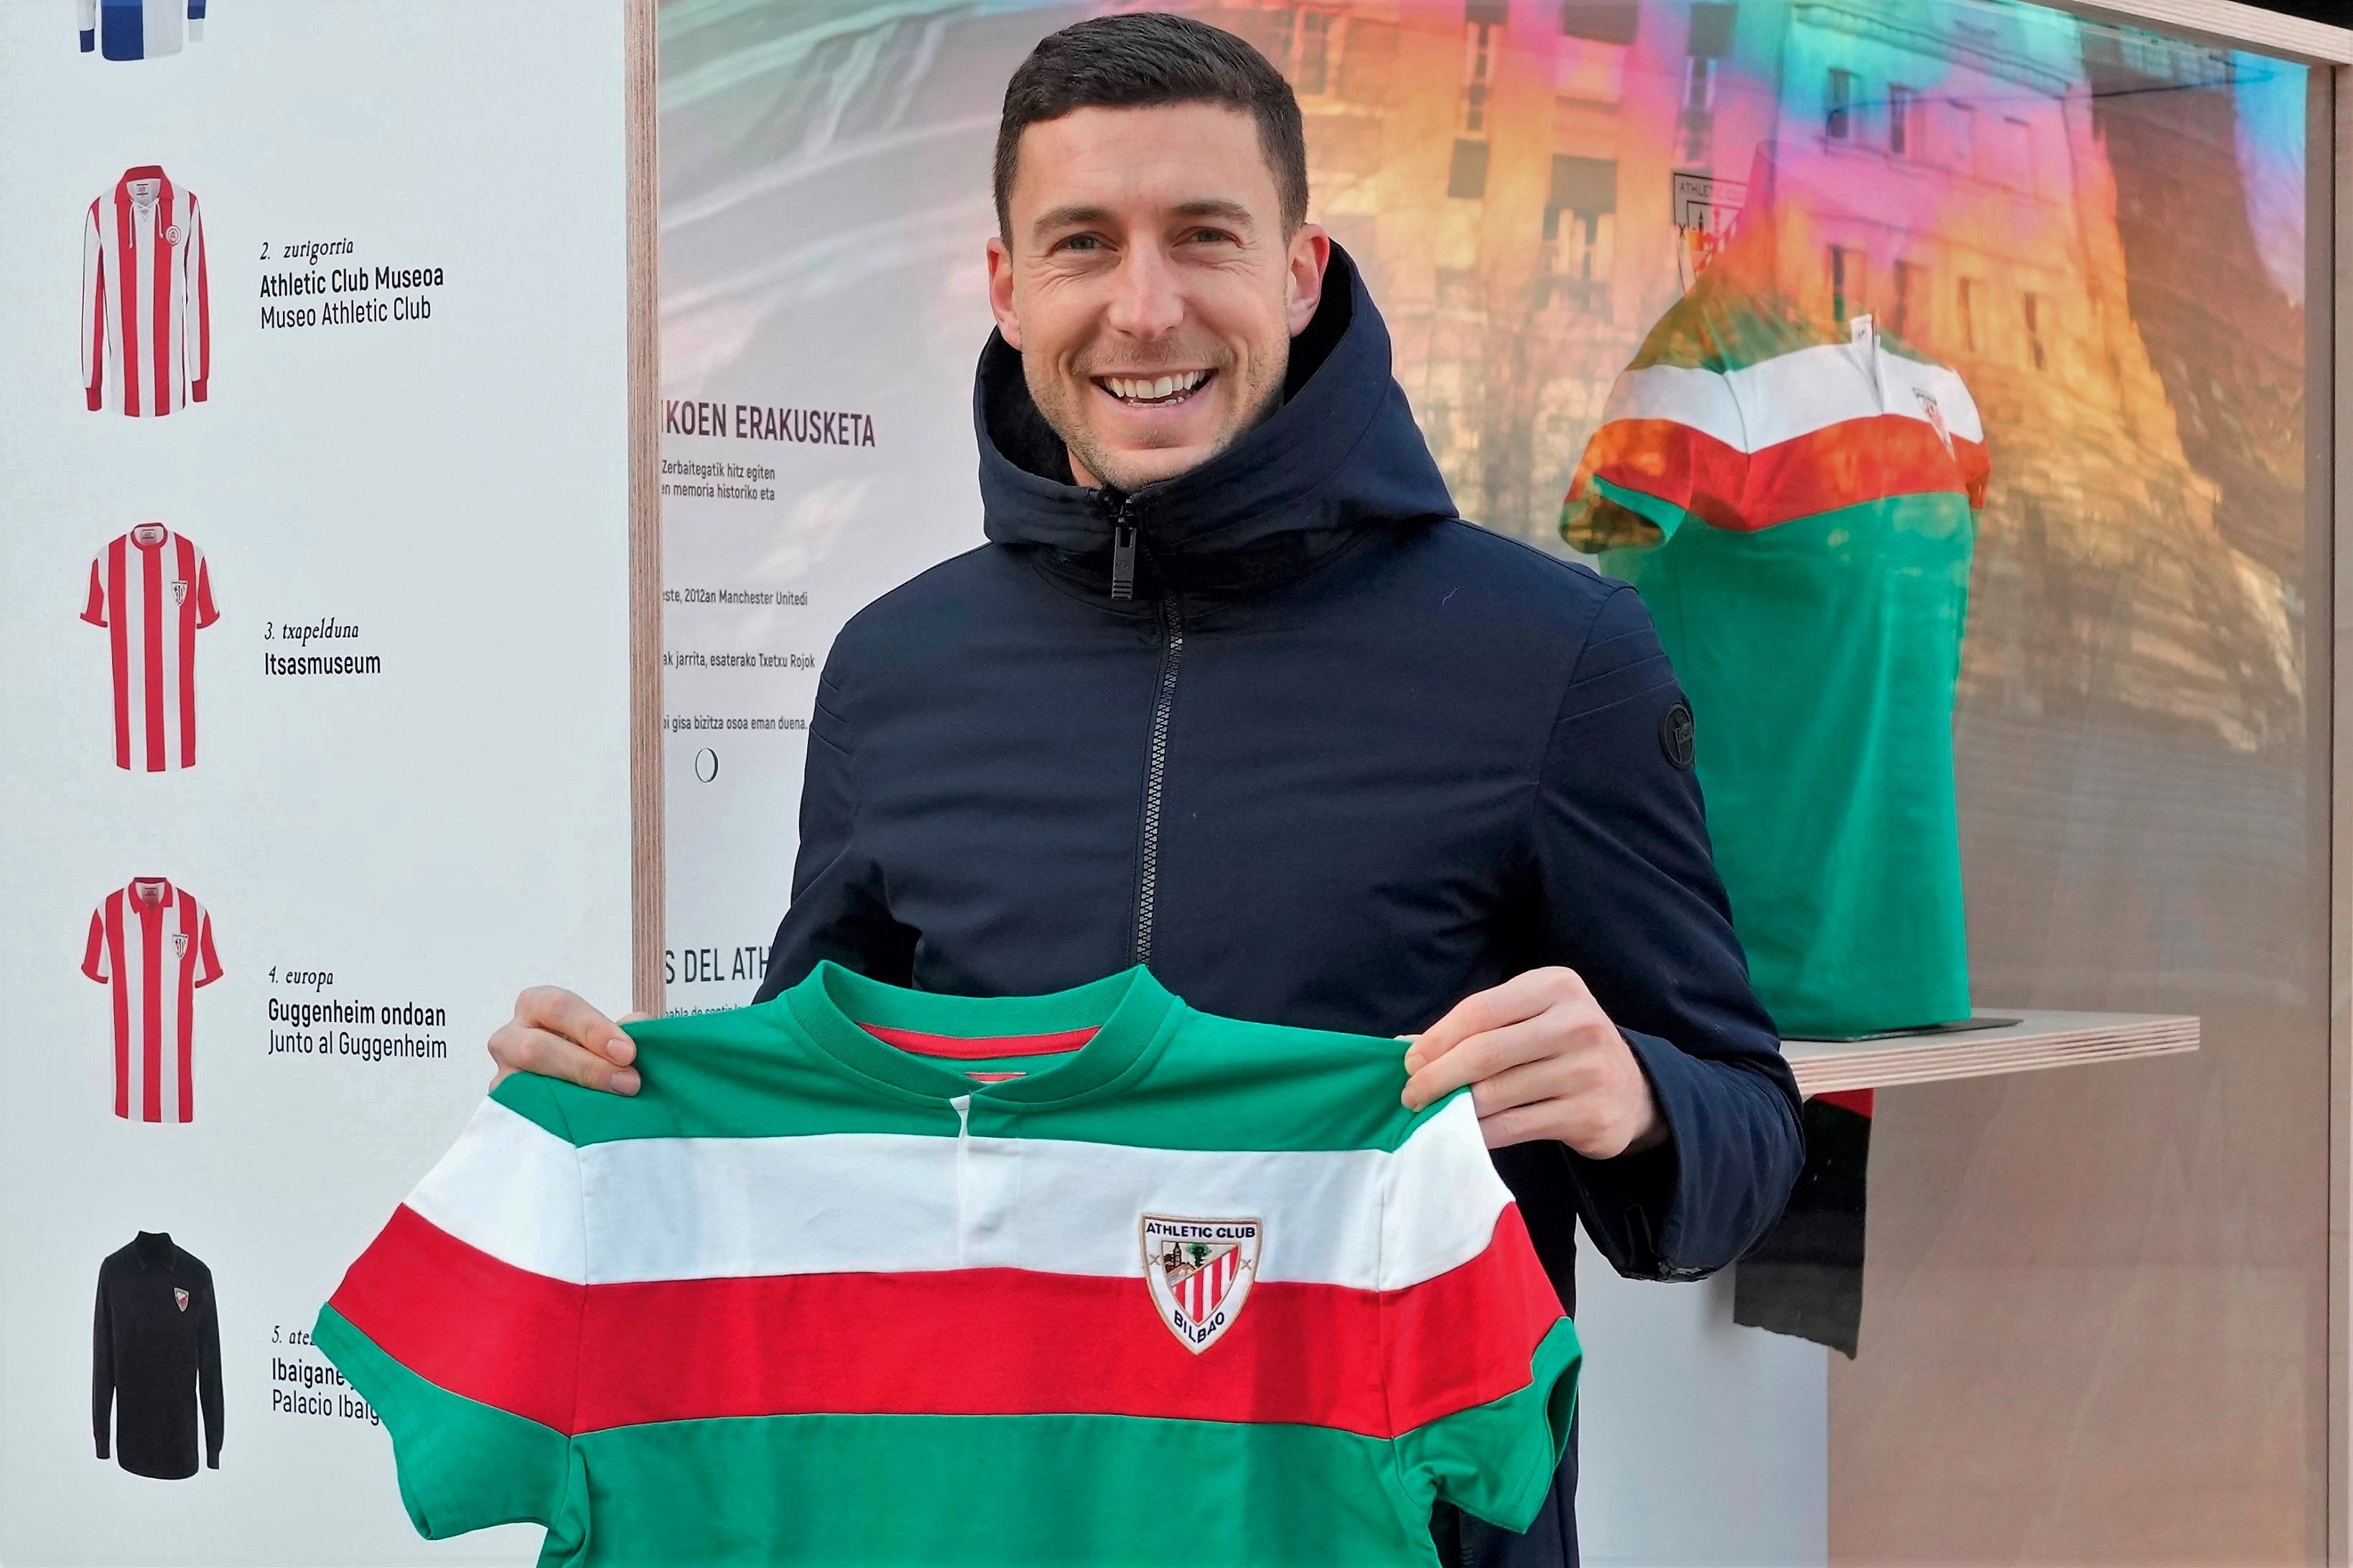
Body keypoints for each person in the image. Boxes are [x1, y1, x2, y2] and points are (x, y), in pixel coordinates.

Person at [490, 14, 1802, 1564]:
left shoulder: (1551, 655)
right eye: (1082, 245)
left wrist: (1643, 1104)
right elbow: (829, 1157)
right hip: (999, 1523)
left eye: (1202, 238)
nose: (1144, 306)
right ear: (1008, 287)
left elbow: (1747, 1144)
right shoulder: (897, 670)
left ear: (1300, 270)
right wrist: (637, 1111)